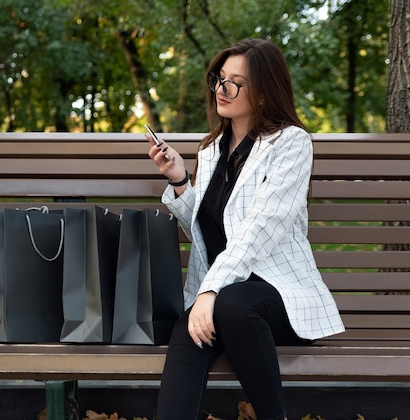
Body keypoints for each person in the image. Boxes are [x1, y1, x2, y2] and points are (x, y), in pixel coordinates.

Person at [146, 38, 345, 420]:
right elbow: (207, 233)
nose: (222, 89)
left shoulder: (291, 144)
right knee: (187, 332)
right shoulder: (212, 149)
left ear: (265, 94)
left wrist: (210, 290)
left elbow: (258, 228)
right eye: (220, 79)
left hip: (275, 297)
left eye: (235, 82)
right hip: (222, 295)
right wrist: (179, 181)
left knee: (235, 304)